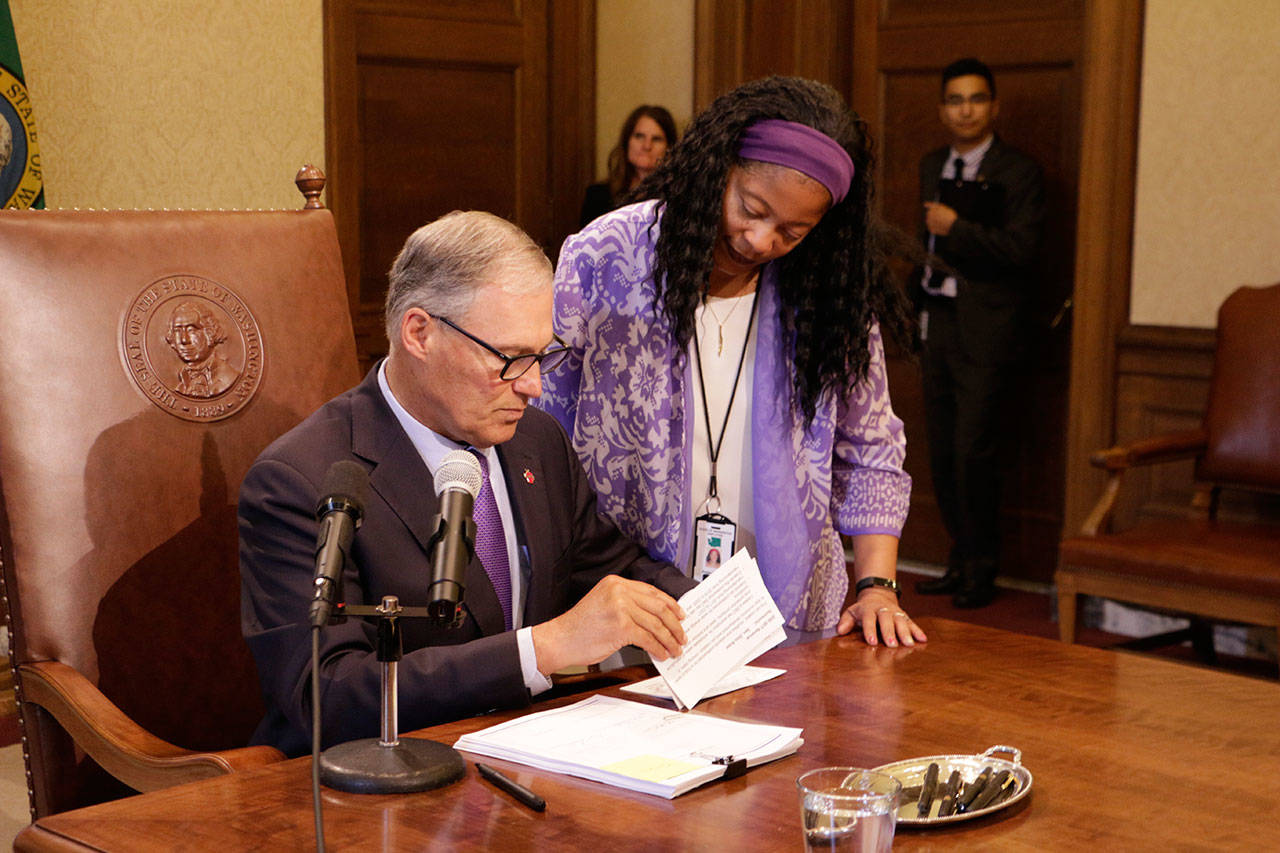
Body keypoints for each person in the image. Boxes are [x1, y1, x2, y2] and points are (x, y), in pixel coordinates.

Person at [240, 210, 692, 756]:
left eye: (542, 356)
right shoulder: (302, 480)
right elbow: (329, 695)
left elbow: (611, 568)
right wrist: (540, 649)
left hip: (534, 763)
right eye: (509, 358)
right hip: (376, 789)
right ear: (419, 333)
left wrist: (723, 614)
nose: (533, 386)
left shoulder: (537, 442)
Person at [539, 76, 927, 649]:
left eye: (793, 231)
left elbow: (870, 447)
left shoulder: (828, 294)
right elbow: (544, 417)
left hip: (782, 607)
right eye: (752, 208)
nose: (761, 239)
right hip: (629, 596)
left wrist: (877, 585)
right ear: (719, 167)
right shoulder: (609, 253)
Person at [911, 58, 1046, 608]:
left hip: (987, 333)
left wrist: (957, 229)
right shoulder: (931, 164)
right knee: (941, 452)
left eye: (975, 99)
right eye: (954, 100)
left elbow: (1022, 251)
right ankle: (957, 559)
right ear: (943, 108)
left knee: (974, 452)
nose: (964, 110)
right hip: (936, 324)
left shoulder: (1019, 171)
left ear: (993, 106)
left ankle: (982, 569)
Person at [578, 104, 678, 227]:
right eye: (639, 136)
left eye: (657, 139)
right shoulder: (598, 196)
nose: (647, 146)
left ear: (669, 148)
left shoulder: (678, 198)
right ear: (627, 142)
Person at [165, 300, 239, 397]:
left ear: (210, 332)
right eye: (178, 331)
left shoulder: (229, 377)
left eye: (191, 330)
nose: (184, 340)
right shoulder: (181, 384)